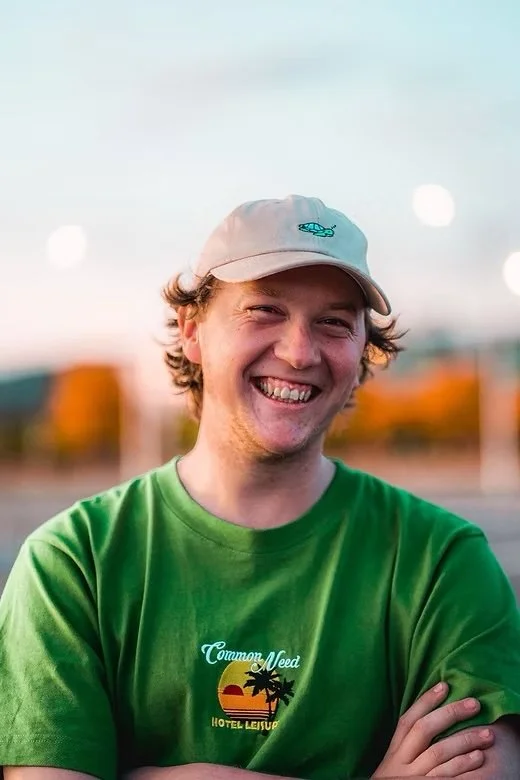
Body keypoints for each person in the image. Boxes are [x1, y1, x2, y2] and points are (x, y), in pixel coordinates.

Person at [1, 194, 520, 780]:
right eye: (265, 310)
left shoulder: (442, 562)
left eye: (333, 322)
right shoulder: (73, 563)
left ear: (362, 350)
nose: (299, 352)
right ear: (192, 330)